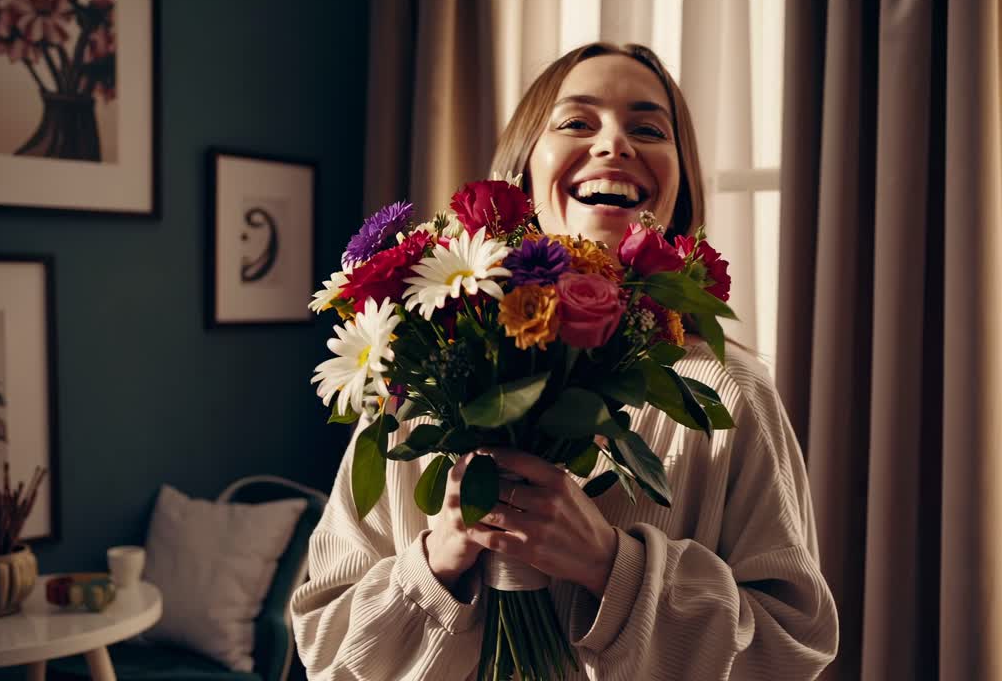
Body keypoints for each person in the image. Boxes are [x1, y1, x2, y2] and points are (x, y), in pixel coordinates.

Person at [291, 42, 839, 680]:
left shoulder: (731, 392)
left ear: (680, 184)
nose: (614, 144)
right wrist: (440, 556)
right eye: (577, 121)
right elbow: (326, 647)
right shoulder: (422, 373)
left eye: (648, 128)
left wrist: (613, 567)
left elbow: (791, 647)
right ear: (521, 173)